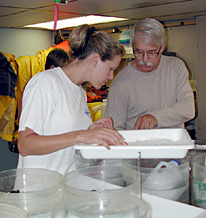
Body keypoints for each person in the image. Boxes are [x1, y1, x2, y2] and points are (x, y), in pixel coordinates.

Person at [17, 24, 125, 175]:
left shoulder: (79, 92)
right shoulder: (45, 83)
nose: (110, 76)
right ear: (95, 60)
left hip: (64, 186)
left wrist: (90, 131)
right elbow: (25, 145)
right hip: (38, 190)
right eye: (111, 69)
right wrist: (80, 135)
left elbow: (64, 136)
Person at [105, 18, 195, 130]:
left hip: (173, 144)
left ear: (162, 47)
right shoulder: (121, 83)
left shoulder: (176, 67)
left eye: (152, 52)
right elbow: (113, 129)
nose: (145, 59)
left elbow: (188, 109)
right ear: (132, 47)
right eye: (139, 52)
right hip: (139, 146)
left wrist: (156, 117)